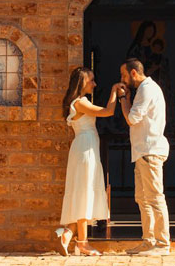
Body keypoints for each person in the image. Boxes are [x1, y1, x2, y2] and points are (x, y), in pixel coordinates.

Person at [54, 67, 122, 256]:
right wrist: (114, 90)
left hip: (82, 147)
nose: (94, 84)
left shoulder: (76, 103)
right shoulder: (81, 102)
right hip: (86, 149)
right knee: (84, 192)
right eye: (91, 80)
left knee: (81, 191)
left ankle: (67, 234)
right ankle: (82, 243)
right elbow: (108, 111)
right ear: (82, 82)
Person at [118, 58, 171, 256]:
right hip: (142, 152)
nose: (122, 79)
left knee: (155, 198)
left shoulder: (147, 89)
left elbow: (132, 118)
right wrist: (129, 99)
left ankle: (162, 244)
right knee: (143, 199)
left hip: (149, 150)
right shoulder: (144, 90)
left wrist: (123, 98)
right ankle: (148, 242)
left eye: (124, 75)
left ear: (133, 73)